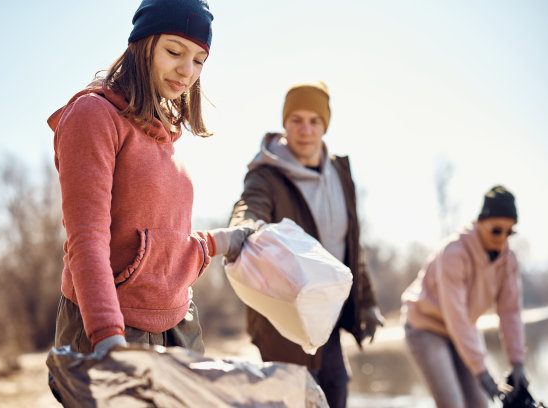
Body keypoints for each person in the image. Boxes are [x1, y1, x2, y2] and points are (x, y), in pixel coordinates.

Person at [47, 0, 253, 358]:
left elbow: (166, 246)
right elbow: (87, 241)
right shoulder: (93, 116)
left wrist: (224, 240)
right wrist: (108, 337)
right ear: (142, 46)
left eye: (199, 60)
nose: (187, 70)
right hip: (109, 326)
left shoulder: (171, 137)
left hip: (181, 326)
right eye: (174, 51)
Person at [228, 81, 384, 408]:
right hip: (283, 314)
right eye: (296, 119)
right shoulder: (266, 174)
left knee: (336, 388)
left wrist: (366, 301)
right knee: (300, 399)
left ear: (325, 125)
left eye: (314, 121)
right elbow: (250, 205)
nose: (305, 129)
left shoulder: (340, 172)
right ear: (284, 123)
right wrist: (242, 228)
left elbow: (352, 245)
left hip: (327, 314)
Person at [401, 185, 528, 408]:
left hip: (464, 329)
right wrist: (483, 374)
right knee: (453, 404)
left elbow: (510, 312)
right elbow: (455, 315)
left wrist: (517, 363)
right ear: (480, 223)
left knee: (479, 404)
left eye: (510, 232)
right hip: (426, 328)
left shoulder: (508, 260)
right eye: (497, 230)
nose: (503, 238)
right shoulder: (454, 253)